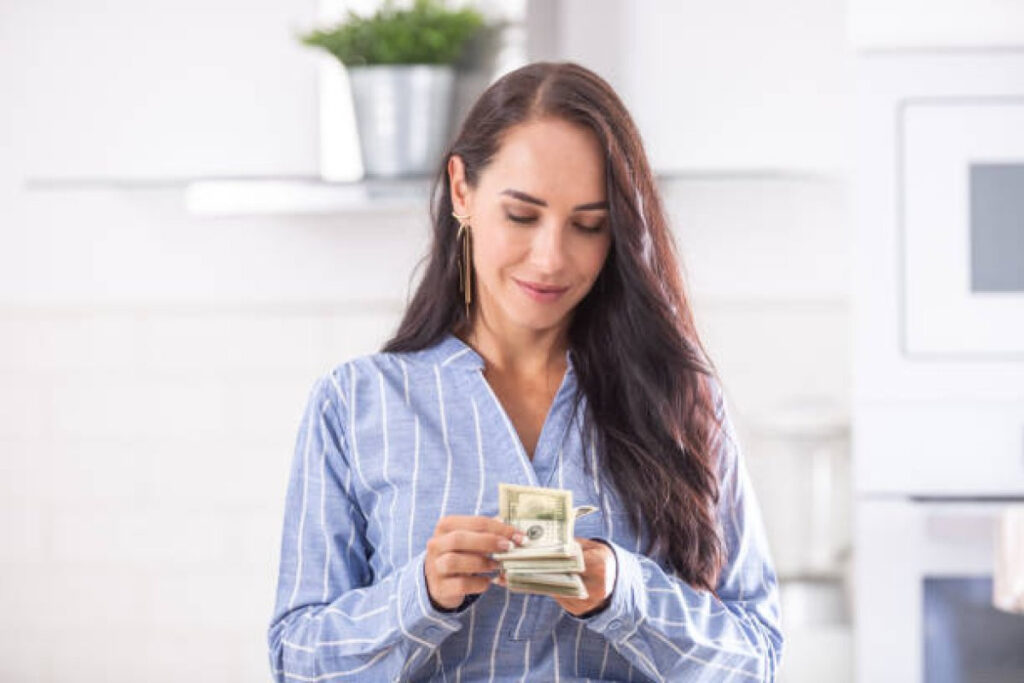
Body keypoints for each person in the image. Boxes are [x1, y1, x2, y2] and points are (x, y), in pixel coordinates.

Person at [267, 61, 784, 682]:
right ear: (462, 190)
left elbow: (756, 660)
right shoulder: (356, 403)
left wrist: (623, 592)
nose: (551, 258)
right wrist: (421, 596)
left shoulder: (680, 400)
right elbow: (297, 662)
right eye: (522, 215)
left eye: (589, 226)